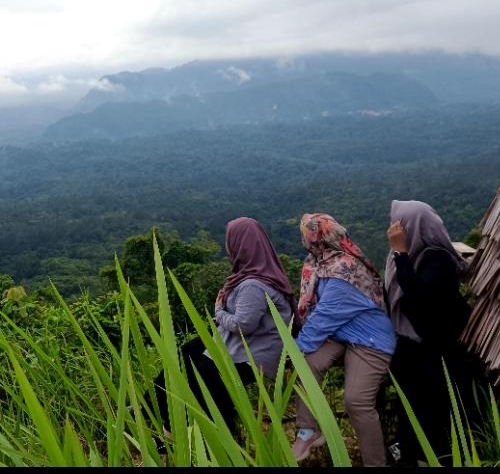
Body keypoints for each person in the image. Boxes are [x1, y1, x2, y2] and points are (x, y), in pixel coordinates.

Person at [145, 217, 295, 436]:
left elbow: (244, 325)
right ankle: (155, 409)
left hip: (254, 352)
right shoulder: (254, 273)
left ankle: (206, 432)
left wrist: (219, 312)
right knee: (186, 353)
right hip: (244, 344)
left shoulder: (253, 284)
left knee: (204, 371)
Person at [290, 213, 396, 467]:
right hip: (342, 332)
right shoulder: (321, 261)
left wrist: (291, 350)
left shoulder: (343, 271)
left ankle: (374, 463)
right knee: (306, 364)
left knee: (356, 401)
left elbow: (323, 318)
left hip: (369, 337)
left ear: (316, 238)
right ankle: (307, 430)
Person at [384, 200, 482, 465]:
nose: (393, 230)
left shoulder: (437, 259)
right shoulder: (405, 257)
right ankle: (413, 455)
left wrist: (401, 255)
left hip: (433, 352)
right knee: (412, 410)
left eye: (399, 224)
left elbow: (418, 297)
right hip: (411, 348)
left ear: (413, 227)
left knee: (432, 413)